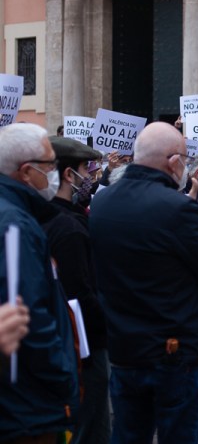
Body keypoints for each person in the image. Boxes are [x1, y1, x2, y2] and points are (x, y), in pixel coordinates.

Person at [90, 122, 198, 444]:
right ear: (174, 162)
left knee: (128, 435)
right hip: (174, 350)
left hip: (125, 346)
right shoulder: (176, 208)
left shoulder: (102, 203)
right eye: (185, 159)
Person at [0, 123, 80, 442]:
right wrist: (64, 376)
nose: (56, 172)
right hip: (29, 410)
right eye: (50, 165)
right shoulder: (15, 225)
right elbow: (29, 317)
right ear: (26, 171)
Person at [43, 136, 110, 444]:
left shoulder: (48, 216)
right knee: (89, 424)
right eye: (86, 168)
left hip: (66, 343)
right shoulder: (68, 227)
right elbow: (79, 295)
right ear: (69, 174)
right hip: (84, 347)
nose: (92, 175)